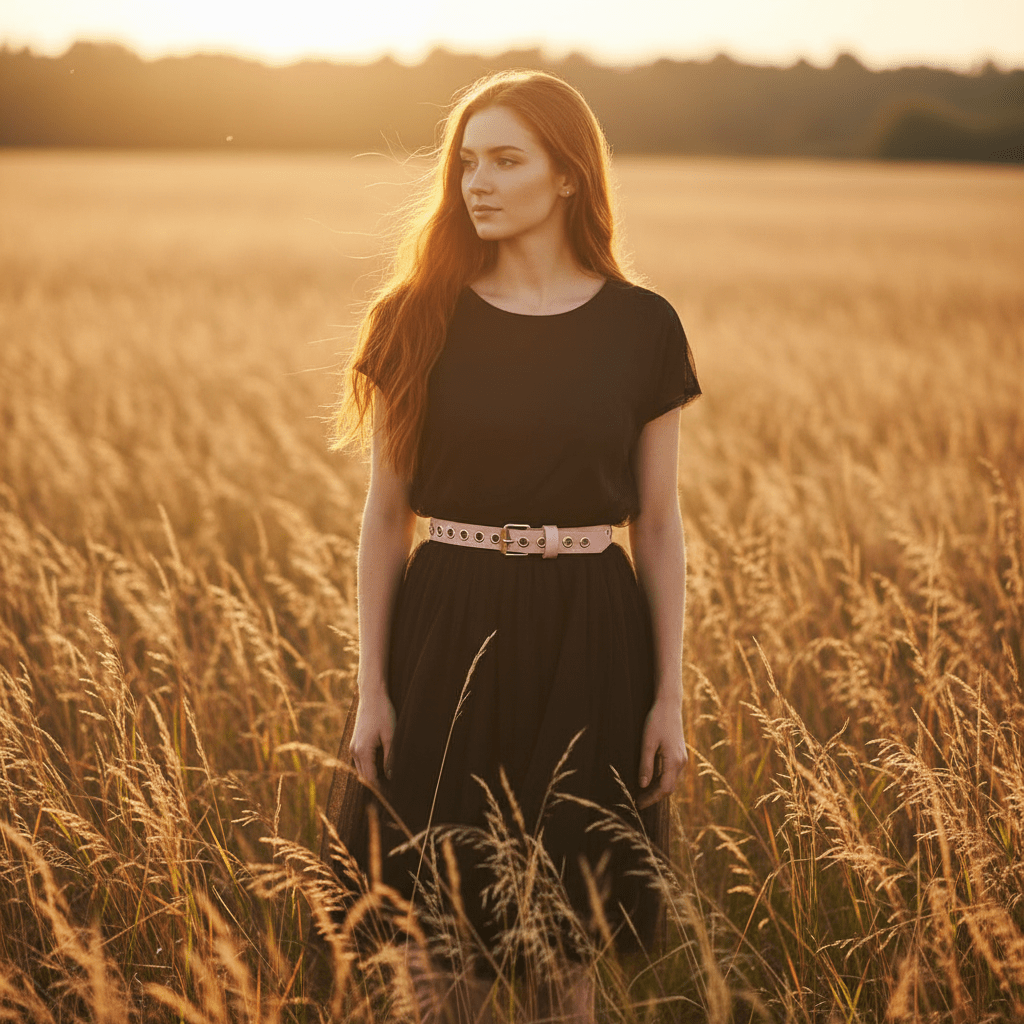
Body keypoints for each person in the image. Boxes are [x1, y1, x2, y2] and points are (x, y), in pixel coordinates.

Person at [322, 69, 701, 1022]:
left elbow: (656, 523)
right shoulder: (416, 317)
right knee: (437, 942)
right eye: (465, 164)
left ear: (568, 176)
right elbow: (384, 514)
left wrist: (668, 696)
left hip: (590, 636)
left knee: (559, 948)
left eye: (505, 160)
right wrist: (372, 689)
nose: (474, 184)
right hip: (447, 628)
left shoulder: (642, 325)